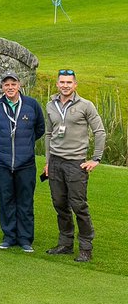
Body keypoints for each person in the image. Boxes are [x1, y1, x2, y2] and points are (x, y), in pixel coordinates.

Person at [43, 69, 106, 262]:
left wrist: (96, 159)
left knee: (78, 206)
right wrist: (47, 161)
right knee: (60, 204)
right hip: (55, 162)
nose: (65, 85)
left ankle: (86, 247)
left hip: (76, 163)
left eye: (69, 82)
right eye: (62, 82)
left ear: (75, 85)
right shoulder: (50, 105)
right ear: (57, 84)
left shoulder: (86, 105)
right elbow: (48, 134)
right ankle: (65, 243)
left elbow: (100, 131)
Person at [0, 71, 45, 252]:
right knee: (6, 200)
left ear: (19, 85)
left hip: (25, 162)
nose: (10, 88)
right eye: (6, 85)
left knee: (25, 201)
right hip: (3, 162)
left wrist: (24, 145)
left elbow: (40, 129)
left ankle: (25, 238)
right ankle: (9, 236)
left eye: (13, 84)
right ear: (2, 87)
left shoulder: (31, 105)